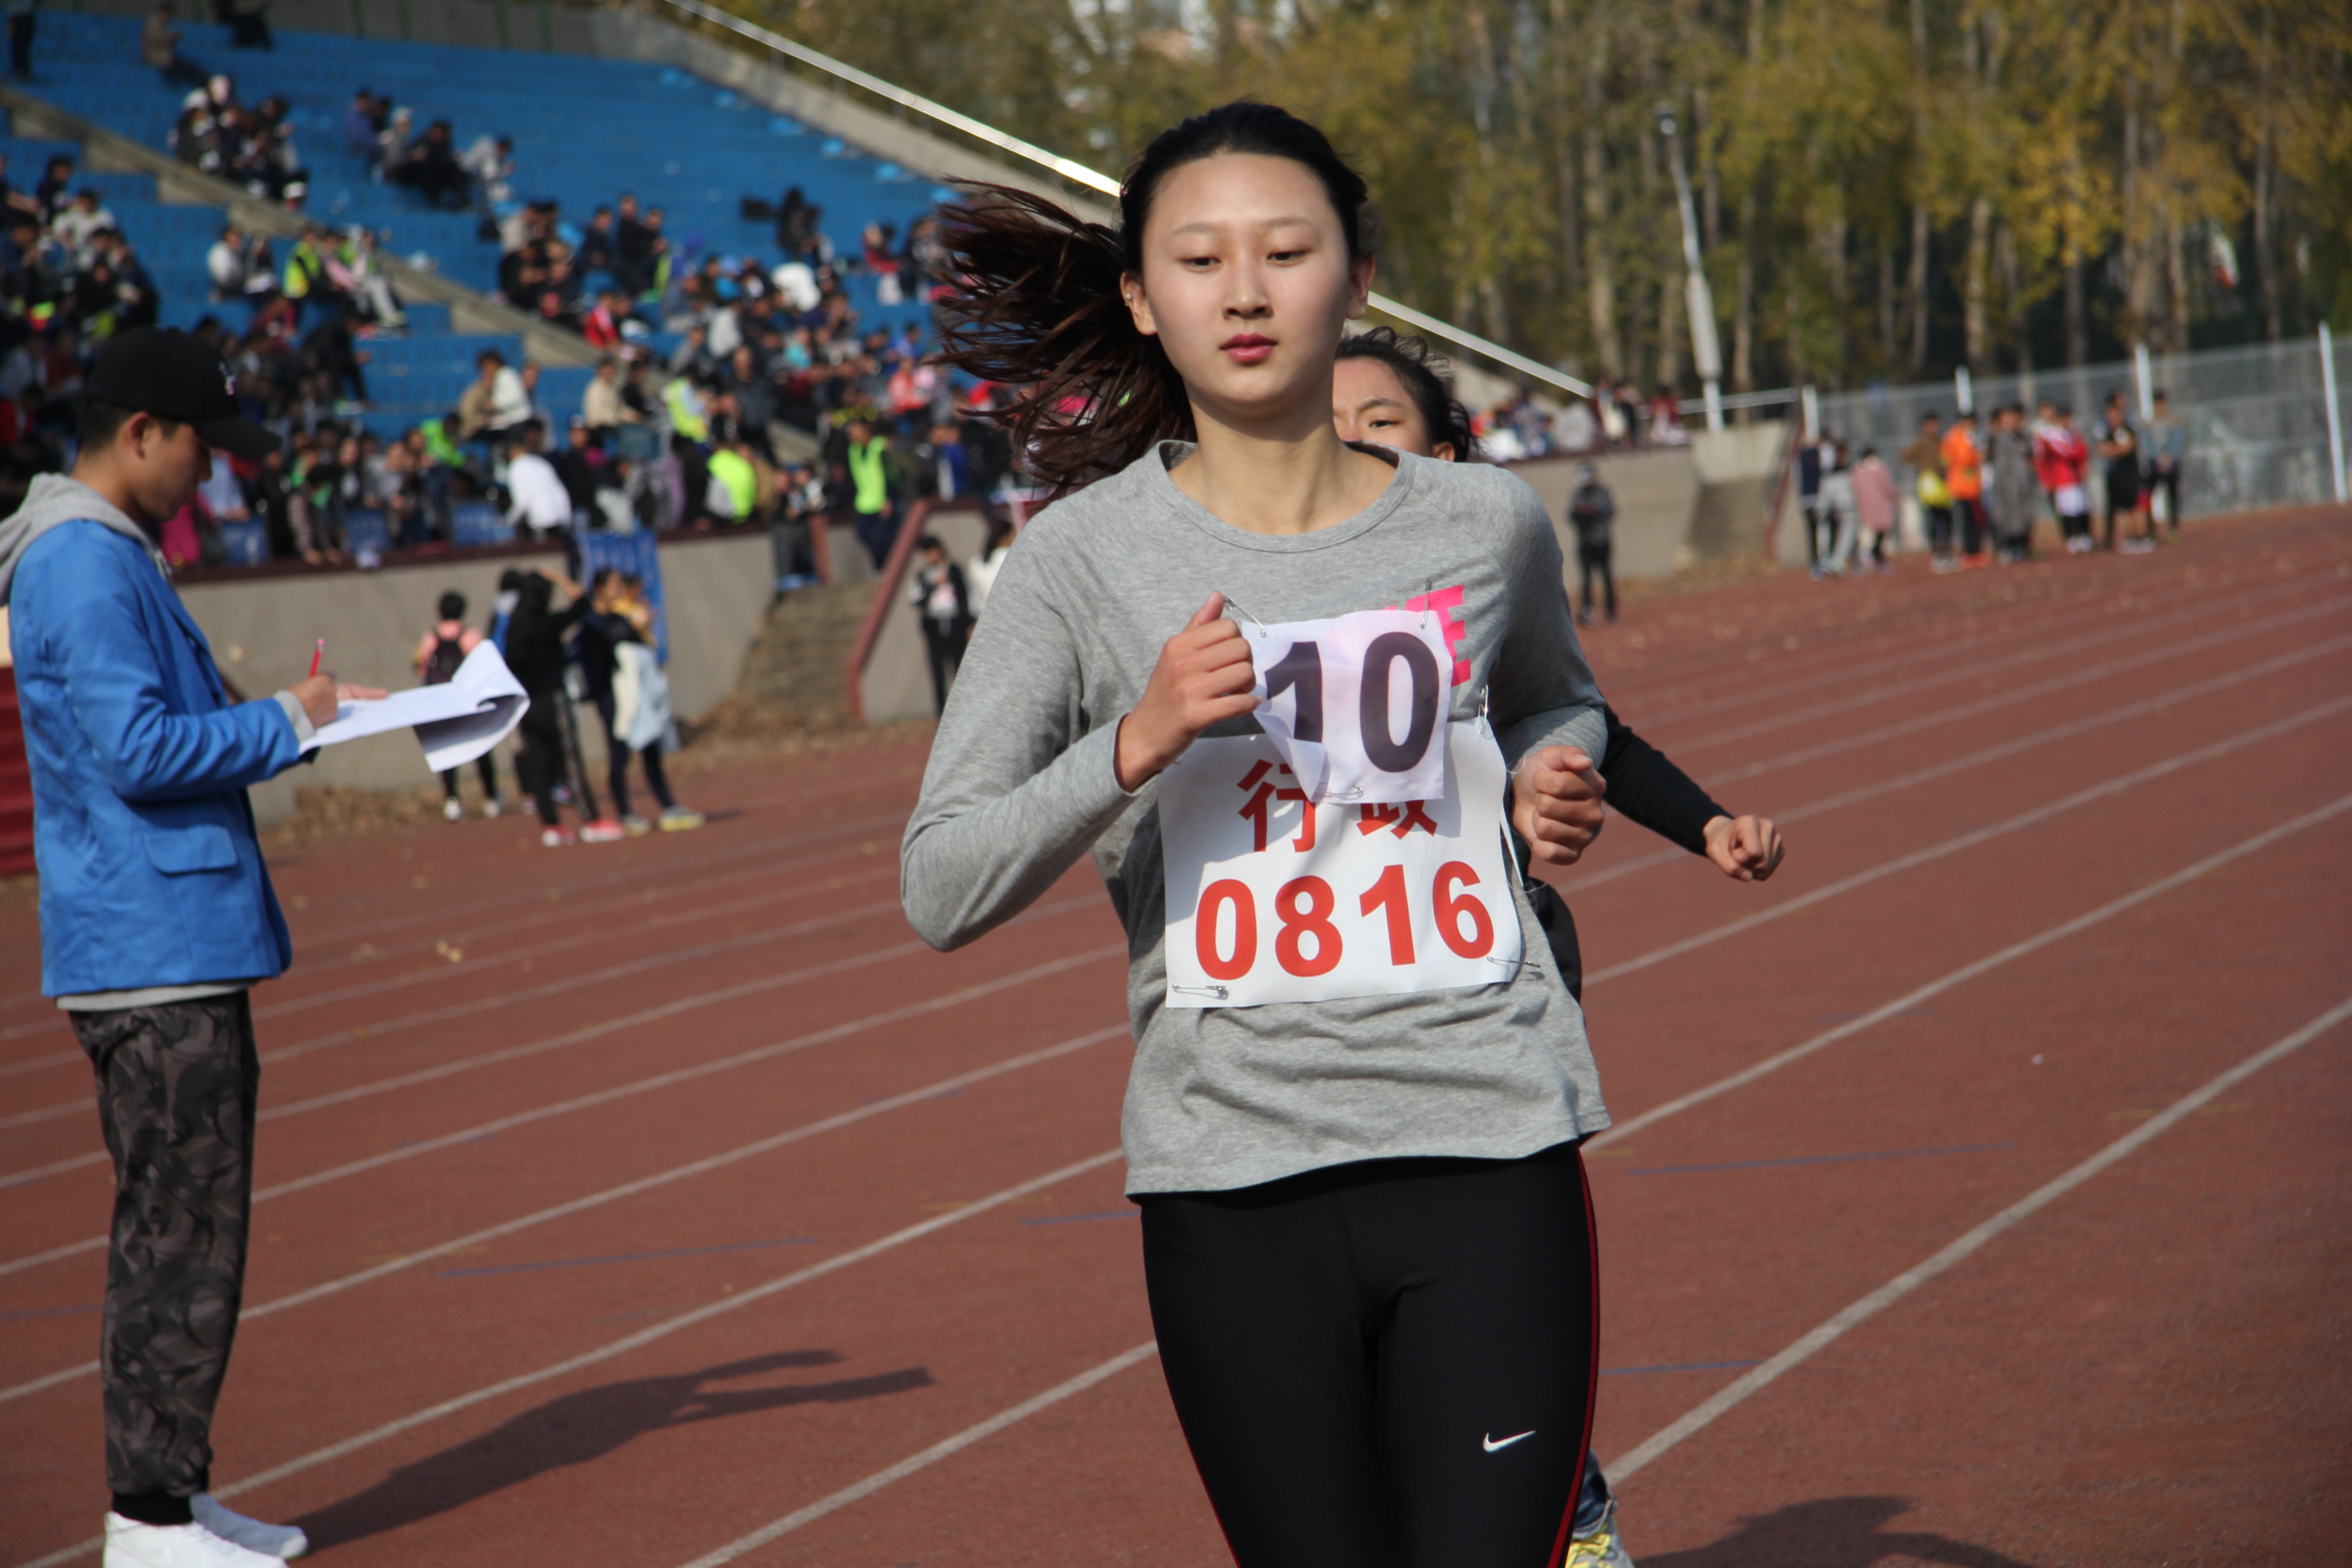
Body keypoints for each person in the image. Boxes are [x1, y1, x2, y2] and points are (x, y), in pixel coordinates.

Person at [913, 103, 1613, 1568]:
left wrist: (1553, 769)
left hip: (1487, 1142)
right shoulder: (1076, 562)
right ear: (1139, 297)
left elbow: (1561, 695)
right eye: (1199, 260)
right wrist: (1136, 739)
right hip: (1231, 1177)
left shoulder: (1486, 523)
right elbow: (942, 880)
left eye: (1286, 253)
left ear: (1357, 276)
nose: (1244, 292)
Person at [1328, 317, 1784, 1568]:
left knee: (1479, 1294)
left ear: (1444, 454)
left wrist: (1708, 827)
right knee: (1359, 1312)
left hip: (1487, 993)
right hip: (1323, 1005)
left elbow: (1587, 728)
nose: (1350, 441)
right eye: (1329, 426)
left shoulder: (1476, 587)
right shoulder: (1256, 596)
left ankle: (1570, 1515)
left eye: (1380, 422)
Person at [0, 327, 387, 1568]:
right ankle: (150, 1521)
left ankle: (171, 1489)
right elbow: (140, 751)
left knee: (189, 1231)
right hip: (150, 950)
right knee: (179, 1236)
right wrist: (284, 720)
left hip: (165, 938)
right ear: (140, 433)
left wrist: (306, 722)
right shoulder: (81, 562)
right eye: (200, 448)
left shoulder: (106, 552)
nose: (209, 474)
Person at [573, 567, 701, 835]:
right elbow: (598, 658)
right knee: (619, 754)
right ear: (600, 589)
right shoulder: (591, 623)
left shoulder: (621, 618)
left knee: (651, 747)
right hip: (611, 697)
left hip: (635, 695)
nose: (620, 588)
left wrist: (642, 628)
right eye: (614, 584)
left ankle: (669, 806)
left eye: (621, 584)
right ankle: (625, 813)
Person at [413, 590, 501, 820]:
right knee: (481, 748)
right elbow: (484, 667)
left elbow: (421, 666)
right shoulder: (471, 635)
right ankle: (491, 798)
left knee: (448, 751)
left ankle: (452, 800)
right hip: (467, 701)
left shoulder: (431, 637)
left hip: (442, 703)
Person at [906, 533, 971, 714]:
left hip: (956, 623)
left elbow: (968, 596)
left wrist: (969, 622)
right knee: (937, 671)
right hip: (934, 626)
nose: (930, 557)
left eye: (932, 552)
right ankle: (941, 712)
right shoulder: (923, 575)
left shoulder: (955, 570)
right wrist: (932, 585)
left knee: (960, 669)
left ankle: (963, 710)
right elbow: (914, 599)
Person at [2034, 403, 2093, 554]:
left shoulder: (2073, 435)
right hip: (2063, 479)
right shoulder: (2051, 436)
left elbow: (2083, 451)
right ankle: (2072, 538)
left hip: (2077, 478)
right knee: (2067, 509)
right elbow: (2062, 453)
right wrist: (2046, 479)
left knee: (2081, 507)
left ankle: (2085, 536)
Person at [2097, 392, 2150, 553]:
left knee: (2135, 507)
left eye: (2114, 414)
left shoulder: (2127, 430)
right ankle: (2130, 538)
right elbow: (2102, 450)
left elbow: (2126, 448)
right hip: (2116, 476)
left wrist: (2113, 450)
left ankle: (2142, 537)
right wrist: (2116, 450)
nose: (2111, 418)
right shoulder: (2107, 433)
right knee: (2123, 509)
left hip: (2131, 474)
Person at [502, 420, 573, 540]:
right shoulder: (541, 463)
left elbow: (521, 503)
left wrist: (506, 524)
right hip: (561, 522)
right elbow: (561, 492)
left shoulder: (516, 467)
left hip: (542, 525)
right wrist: (567, 520)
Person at [1565, 461, 1616, 623]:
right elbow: (1570, 517)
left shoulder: (1603, 492)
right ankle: (1587, 612)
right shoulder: (1578, 495)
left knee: (1607, 577)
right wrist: (1579, 512)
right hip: (1585, 544)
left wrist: (1594, 509)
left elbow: (1611, 511)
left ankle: (1611, 612)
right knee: (1586, 580)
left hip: (1602, 543)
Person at [1985, 404, 2037, 562]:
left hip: (2023, 483)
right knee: (2007, 516)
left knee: (2024, 515)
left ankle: (2022, 547)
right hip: (2006, 483)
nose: (2010, 421)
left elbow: (2030, 457)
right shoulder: (1998, 439)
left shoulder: (2022, 437)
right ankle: (2007, 548)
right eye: (2006, 419)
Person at [1940, 409, 1988, 568]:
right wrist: (1975, 458)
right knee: (1965, 522)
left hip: (1973, 486)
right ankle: (1967, 554)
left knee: (1976, 521)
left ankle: (1975, 552)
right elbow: (1953, 459)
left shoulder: (1972, 436)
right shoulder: (1955, 437)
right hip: (1961, 488)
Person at [1900, 412, 1949, 564]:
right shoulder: (1921, 442)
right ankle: (1937, 550)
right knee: (1933, 518)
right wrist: (1922, 465)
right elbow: (1905, 457)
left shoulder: (1943, 441)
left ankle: (1945, 548)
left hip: (1944, 483)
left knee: (1946, 517)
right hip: (1929, 484)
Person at [1850, 444, 1898, 572]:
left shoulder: (1857, 470)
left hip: (1865, 504)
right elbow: (1887, 486)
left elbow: (1855, 488)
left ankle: (1870, 557)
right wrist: (1895, 496)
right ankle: (1876, 556)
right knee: (1881, 532)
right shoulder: (1879, 468)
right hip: (1881, 503)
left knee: (1868, 532)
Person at [2146, 389, 2185, 539]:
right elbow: (2148, 445)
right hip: (2155, 464)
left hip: (2171, 463)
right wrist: (2159, 458)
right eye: (2158, 404)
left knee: (2173, 496)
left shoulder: (2174, 422)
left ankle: (2173, 528)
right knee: (2148, 495)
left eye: (2162, 404)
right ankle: (2151, 530)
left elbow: (2178, 441)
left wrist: (2169, 457)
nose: (2161, 407)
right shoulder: (2149, 424)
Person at [142, 2, 204, 86]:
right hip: (156, 58)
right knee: (184, 68)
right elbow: (159, 40)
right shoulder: (153, 23)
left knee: (189, 66)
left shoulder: (160, 24)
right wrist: (172, 36)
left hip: (164, 57)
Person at [1818, 441, 1857, 576]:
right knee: (1847, 536)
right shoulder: (1850, 471)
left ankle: (1832, 562)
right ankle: (1837, 563)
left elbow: (1825, 492)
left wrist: (1823, 507)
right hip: (1847, 507)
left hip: (1835, 508)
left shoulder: (1830, 473)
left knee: (1837, 536)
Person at [965, 513, 1014, 618]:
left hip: (985, 618)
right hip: (1009, 616)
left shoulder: (976, 562)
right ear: (1006, 536)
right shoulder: (1009, 556)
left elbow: (974, 601)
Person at [8, 0, 35, 80]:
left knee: (22, 46)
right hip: (18, 18)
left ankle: (23, 70)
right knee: (18, 45)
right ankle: (19, 70)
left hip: (25, 17)